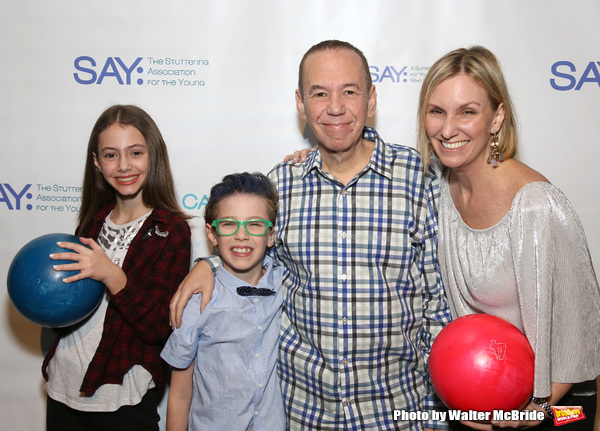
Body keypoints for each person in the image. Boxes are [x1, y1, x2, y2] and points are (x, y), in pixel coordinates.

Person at [169, 40, 452, 431]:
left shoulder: (417, 178)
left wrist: (436, 412)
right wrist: (209, 264)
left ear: (371, 99)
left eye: (349, 91)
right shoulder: (281, 185)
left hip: (396, 411)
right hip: (304, 414)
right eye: (320, 94)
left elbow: (438, 303)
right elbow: (250, 254)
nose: (335, 108)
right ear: (301, 105)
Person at [416, 46, 600, 430]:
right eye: (437, 111)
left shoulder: (536, 205)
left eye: (467, 111)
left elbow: (580, 328)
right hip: (480, 396)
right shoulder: (440, 188)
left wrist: (535, 408)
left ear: (497, 117)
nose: (448, 129)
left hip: (556, 404)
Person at [42, 104, 192, 431]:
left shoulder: (170, 230)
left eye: (135, 152)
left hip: (121, 395)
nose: (124, 165)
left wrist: (111, 273)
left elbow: (158, 326)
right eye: (110, 155)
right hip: (63, 385)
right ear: (97, 162)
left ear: (153, 155)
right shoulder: (93, 222)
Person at [160, 172, 285, 431]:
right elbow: (180, 395)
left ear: (271, 235)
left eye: (255, 224)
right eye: (229, 224)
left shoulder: (285, 282)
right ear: (212, 234)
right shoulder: (195, 302)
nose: (242, 235)